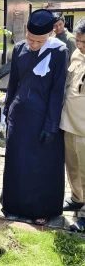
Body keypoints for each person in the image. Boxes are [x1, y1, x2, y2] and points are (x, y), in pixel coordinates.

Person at [2, 9, 69, 225]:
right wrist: (7, 108)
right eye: (30, 39)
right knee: (17, 162)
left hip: (43, 118)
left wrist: (51, 125)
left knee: (41, 166)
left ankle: (41, 209)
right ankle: (13, 205)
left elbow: (58, 91)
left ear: (49, 35)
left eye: (38, 41)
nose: (33, 44)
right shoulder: (20, 48)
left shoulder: (59, 51)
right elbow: (13, 82)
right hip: (19, 116)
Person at [60, 17, 85, 232]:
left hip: (84, 130)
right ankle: (77, 199)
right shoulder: (76, 55)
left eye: (84, 42)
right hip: (69, 124)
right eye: (78, 41)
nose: (80, 46)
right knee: (73, 169)